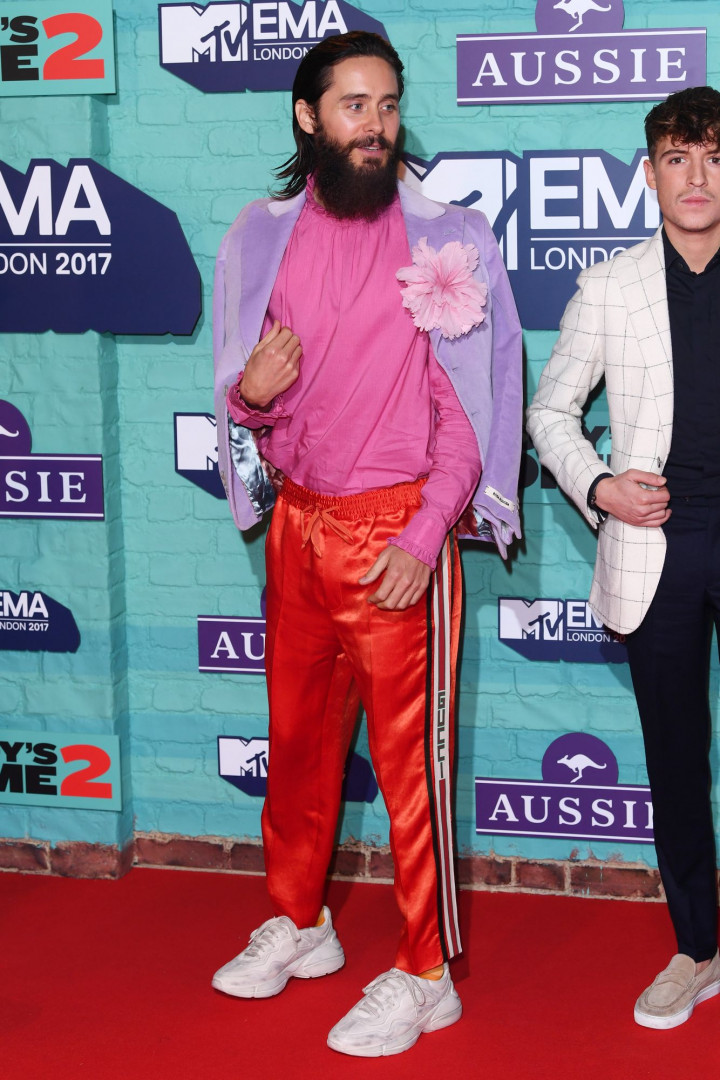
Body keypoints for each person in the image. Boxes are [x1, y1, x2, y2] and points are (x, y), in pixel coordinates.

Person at [212, 30, 522, 1057]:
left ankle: (427, 975)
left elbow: (471, 410)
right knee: (298, 749)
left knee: (408, 773)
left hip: (398, 539)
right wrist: (250, 399)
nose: (376, 126)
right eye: (355, 106)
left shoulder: (450, 240)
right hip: (298, 528)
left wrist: (428, 534)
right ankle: (301, 922)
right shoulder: (261, 236)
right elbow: (251, 390)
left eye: (388, 106)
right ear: (309, 117)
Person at [527, 85, 720, 1032]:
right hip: (658, 553)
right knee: (676, 761)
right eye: (679, 158)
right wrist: (601, 488)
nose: (697, 177)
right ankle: (698, 949)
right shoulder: (610, 285)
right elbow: (549, 412)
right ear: (650, 174)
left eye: (715, 157)